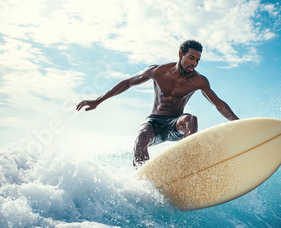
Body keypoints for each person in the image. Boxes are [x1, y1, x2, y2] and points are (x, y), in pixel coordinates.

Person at [76, 40, 239, 168]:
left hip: (175, 124)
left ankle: (187, 165)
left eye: (197, 60)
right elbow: (128, 83)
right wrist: (98, 100)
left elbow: (218, 103)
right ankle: (142, 180)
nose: (194, 63)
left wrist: (238, 123)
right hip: (154, 122)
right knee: (141, 138)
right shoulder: (158, 71)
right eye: (191, 58)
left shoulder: (199, 80)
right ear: (181, 54)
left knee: (191, 120)